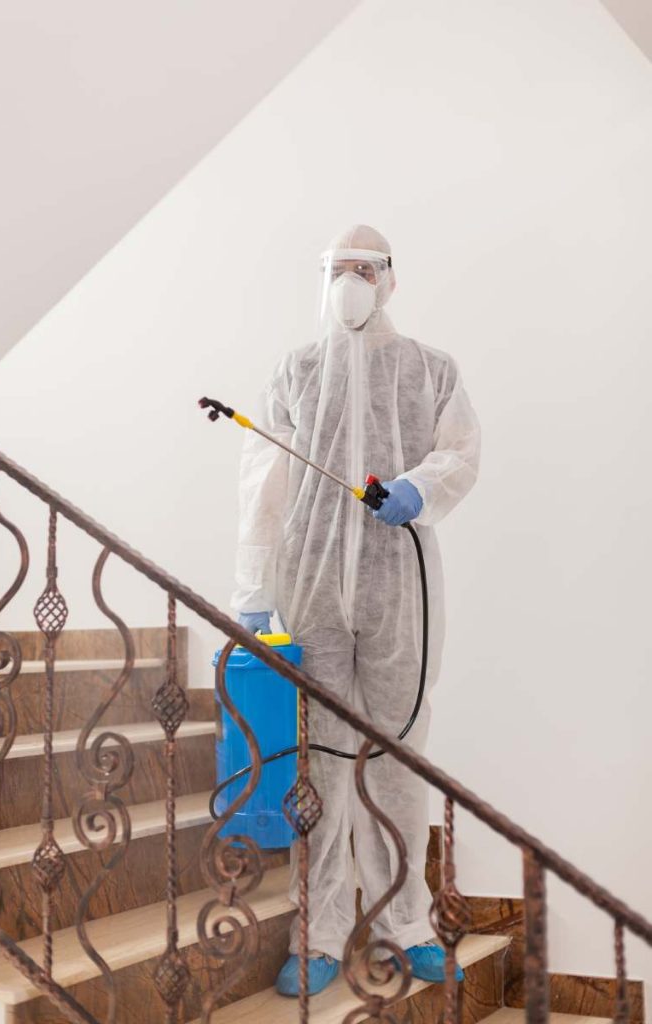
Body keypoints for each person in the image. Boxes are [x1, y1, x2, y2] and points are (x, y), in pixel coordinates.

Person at [231, 225, 481, 997]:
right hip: (308, 583)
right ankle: (320, 931)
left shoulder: (429, 370)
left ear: (389, 281)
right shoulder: (295, 370)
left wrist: (417, 489)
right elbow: (263, 480)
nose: (350, 282)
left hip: (393, 580)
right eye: (337, 269)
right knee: (322, 766)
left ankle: (409, 923)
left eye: (363, 269)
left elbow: (460, 451)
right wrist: (251, 589)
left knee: (399, 758)